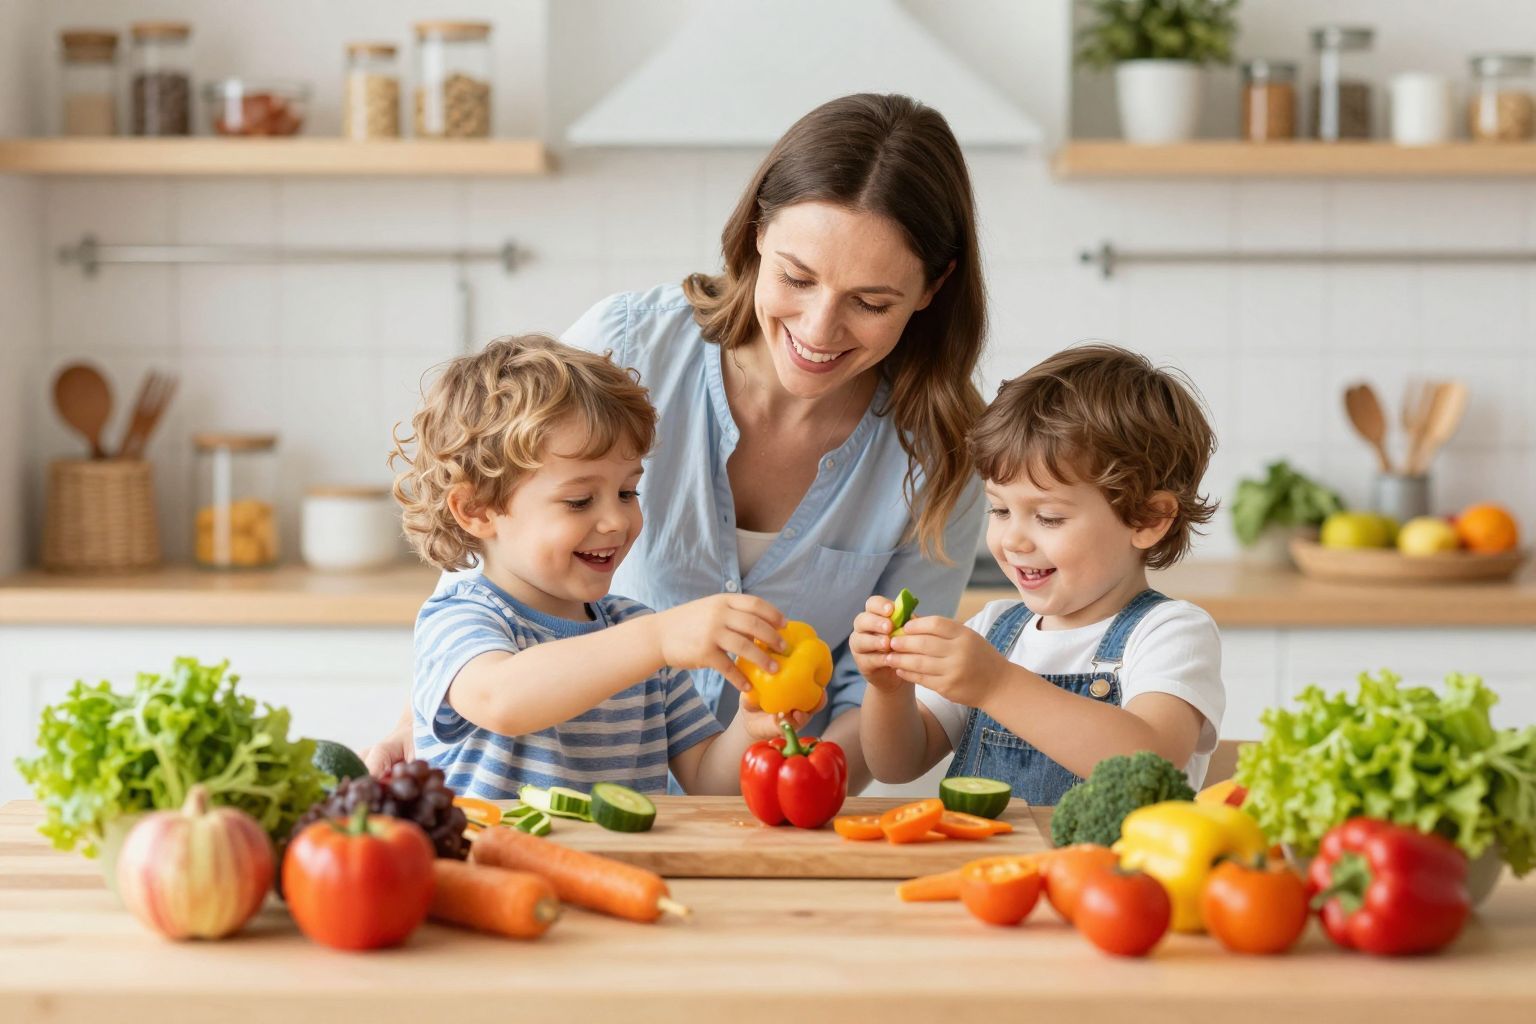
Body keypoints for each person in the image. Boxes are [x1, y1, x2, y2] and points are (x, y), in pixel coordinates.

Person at [365, 92, 989, 791]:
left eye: (871, 303)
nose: (818, 329)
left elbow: (721, 772)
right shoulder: (629, 346)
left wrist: (767, 745)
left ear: (934, 287)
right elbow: (495, 548)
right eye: (796, 277)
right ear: (756, 232)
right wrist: (414, 717)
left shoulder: (945, 453)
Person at [393, 334, 802, 797]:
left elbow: (709, 783)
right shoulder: (459, 618)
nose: (616, 521)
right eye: (579, 500)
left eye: (628, 492)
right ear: (478, 510)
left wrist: (750, 729)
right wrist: (659, 639)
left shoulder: (637, 630)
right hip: (494, 866)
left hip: (623, 870)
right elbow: (501, 699)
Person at [853, 344, 1225, 804]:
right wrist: (888, 690)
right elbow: (896, 766)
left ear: (1147, 519)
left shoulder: (1169, 633)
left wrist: (997, 684)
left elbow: (1146, 767)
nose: (1013, 540)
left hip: (1111, 876)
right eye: (1000, 509)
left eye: (1048, 517)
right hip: (991, 874)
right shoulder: (994, 631)